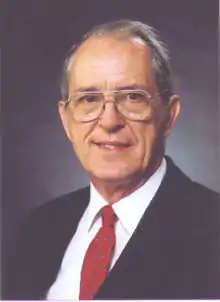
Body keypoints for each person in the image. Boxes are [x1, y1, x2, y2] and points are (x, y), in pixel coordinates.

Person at [5, 19, 220, 300]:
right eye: (88, 99)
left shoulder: (212, 230)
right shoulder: (37, 229)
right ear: (66, 120)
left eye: (133, 96)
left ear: (169, 115)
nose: (109, 121)